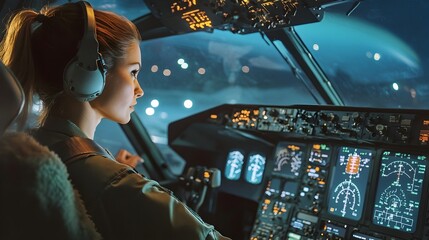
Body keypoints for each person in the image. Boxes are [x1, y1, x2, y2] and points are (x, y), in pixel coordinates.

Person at [0, 2, 230, 240]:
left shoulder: (33, 148)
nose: (139, 90)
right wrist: (115, 177)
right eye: (133, 72)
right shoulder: (114, 183)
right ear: (89, 73)